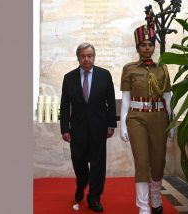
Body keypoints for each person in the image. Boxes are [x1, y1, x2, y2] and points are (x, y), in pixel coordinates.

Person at [120, 24, 173, 214]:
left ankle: (156, 199)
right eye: (143, 44)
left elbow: (168, 97)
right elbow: (126, 98)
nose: (147, 48)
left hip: (159, 118)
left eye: (151, 44)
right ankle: (143, 207)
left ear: (154, 47)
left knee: (158, 161)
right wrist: (123, 125)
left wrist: (172, 121)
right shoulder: (129, 69)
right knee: (142, 161)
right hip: (136, 118)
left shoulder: (163, 69)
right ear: (137, 47)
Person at [60, 42, 117, 212]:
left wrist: (111, 124)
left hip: (99, 127)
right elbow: (64, 105)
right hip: (77, 128)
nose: (86, 59)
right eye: (83, 56)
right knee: (78, 161)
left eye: (89, 55)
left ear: (94, 56)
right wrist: (65, 128)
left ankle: (94, 197)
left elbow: (111, 102)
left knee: (98, 164)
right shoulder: (69, 78)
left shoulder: (104, 75)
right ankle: (81, 183)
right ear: (78, 58)